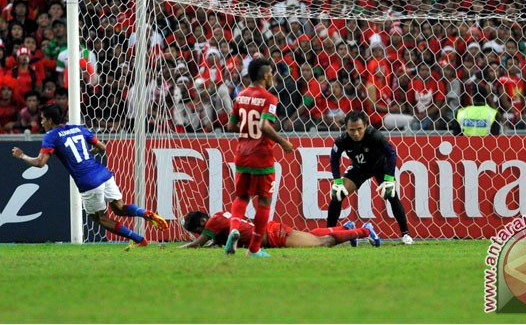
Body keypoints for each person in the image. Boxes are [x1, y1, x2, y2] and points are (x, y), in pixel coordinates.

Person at [11, 104, 168, 249]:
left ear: (50, 120)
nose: (42, 122)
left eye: (43, 119)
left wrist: (22, 156)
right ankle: (145, 213)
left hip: (88, 181)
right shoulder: (79, 129)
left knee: (101, 218)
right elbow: (102, 147)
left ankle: (139, 239)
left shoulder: (51, 136)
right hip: (104, 174)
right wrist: (87, 155)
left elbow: (40, 163)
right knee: (120, 208)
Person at [225, 58, 295, 257]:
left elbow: (230, 126)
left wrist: (246, 129)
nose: (272, 76)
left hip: (242, 155)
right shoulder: (269, 98)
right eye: (271, 72)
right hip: (262, 156)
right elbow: (265, 126)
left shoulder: (240, 96)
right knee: (264, 202)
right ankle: (254, 249)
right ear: (265, 75)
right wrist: (283, 142)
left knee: (241, 197)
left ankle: (234, 230)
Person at [328, 110, 414, 245]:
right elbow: (334, 158)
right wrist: (337, 181)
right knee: (337, 194)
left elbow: (391, 153)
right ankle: (330, 234)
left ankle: (406, 235)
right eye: (352, 130)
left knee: (391, 195)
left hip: (380, 166)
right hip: (359, 168)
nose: (356, 133)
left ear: (366, 126)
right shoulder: (342, 140)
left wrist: (390, 179)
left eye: (359, 129)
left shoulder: (375, 136)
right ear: (346, 128)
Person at [180, 210, 379, 249]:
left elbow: (198, 244)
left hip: (273, 236)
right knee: (309, 236)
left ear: (202, 222)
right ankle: (345, 227)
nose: (200, 234)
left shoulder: (213, 222)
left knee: (322, 243)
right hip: (269, 230)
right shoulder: (220, 216)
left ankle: (365, 231)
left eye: (198, 230)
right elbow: (216, 239)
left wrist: (181, 248)